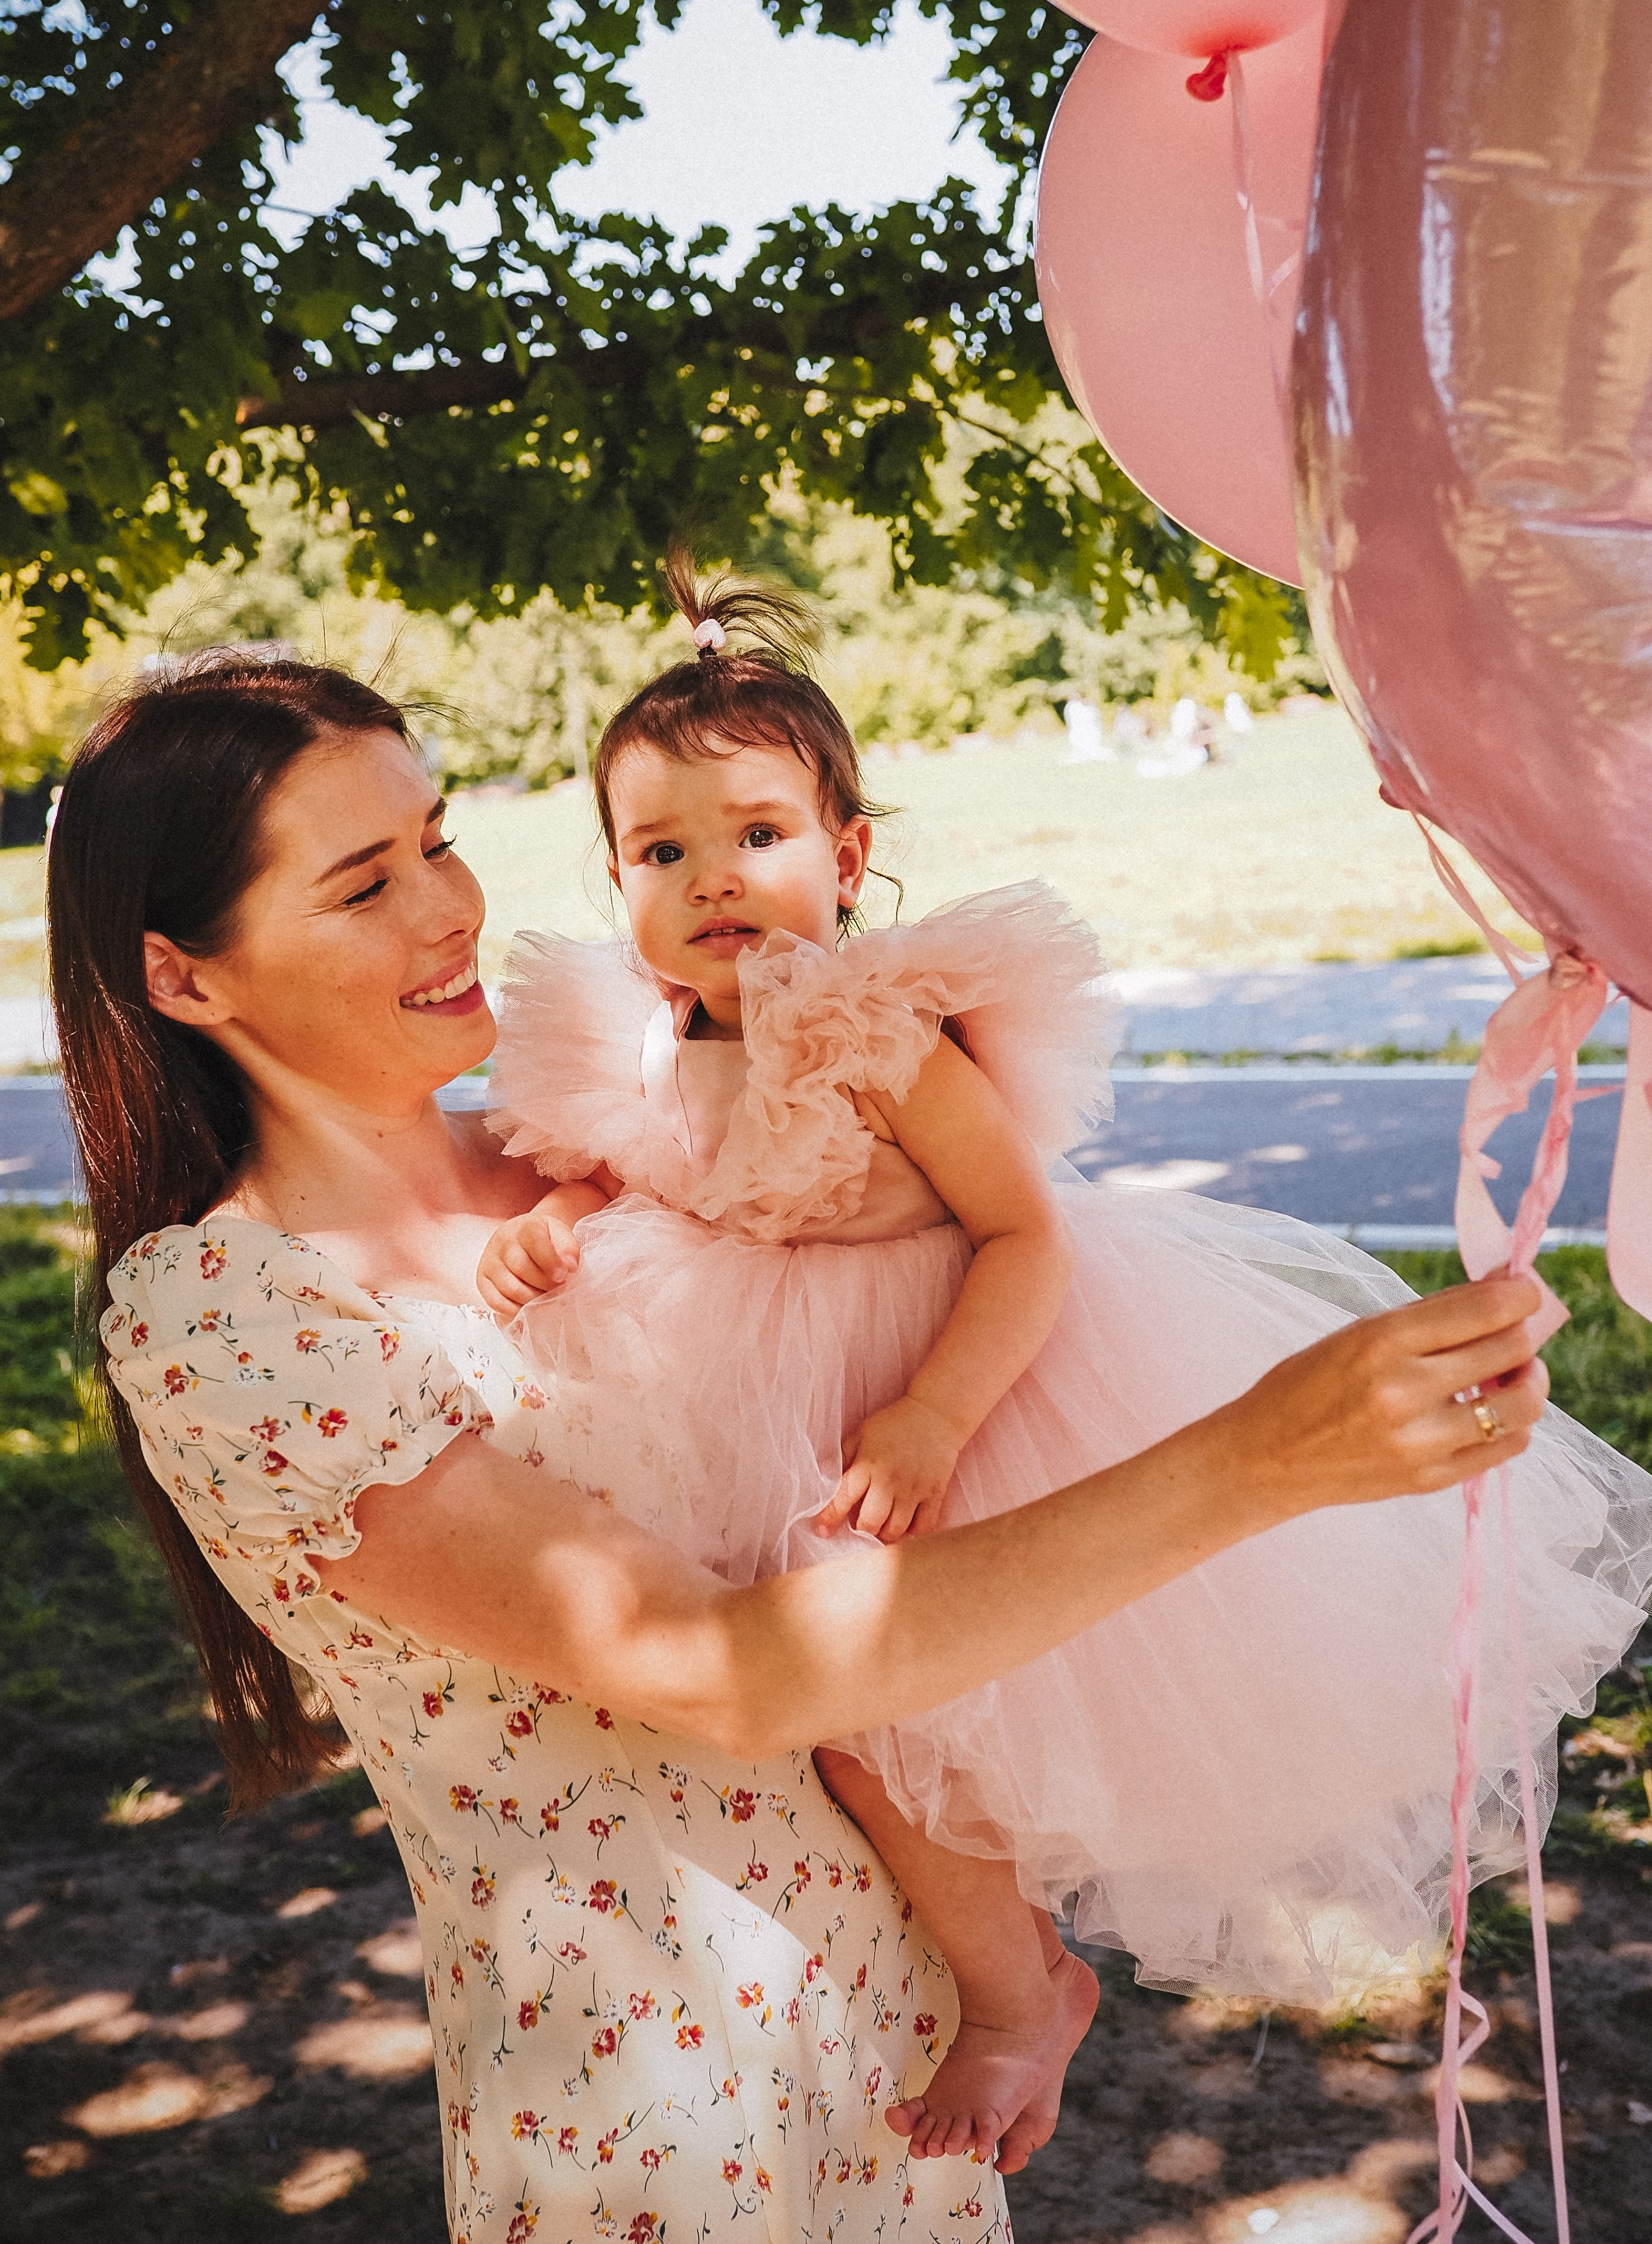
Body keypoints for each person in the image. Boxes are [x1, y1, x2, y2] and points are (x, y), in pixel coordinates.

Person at [52, 648, 1561, 2244]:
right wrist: (1259, 1459)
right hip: (645, 2098)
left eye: (437, 841)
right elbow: (731, 1668)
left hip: (899, 2026)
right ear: (185, 977)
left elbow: (971, 1299)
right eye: (363, 886)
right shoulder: (226, 1313)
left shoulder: (599, 1148)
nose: (448, 910)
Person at [476, 559, 1652, 2167]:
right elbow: (632, 1171)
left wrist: (933, 1414)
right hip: (735, 1400)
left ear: (847, 853)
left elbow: (1022, 1235)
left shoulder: (884, 1031)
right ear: (614, 877)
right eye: (658, 851)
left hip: (941, 1387)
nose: (712, 879)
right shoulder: (633, 1040)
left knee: (897, 1720)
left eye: (757, 835)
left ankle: (1018, 1990)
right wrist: (545, 1224)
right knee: (791, 1690)